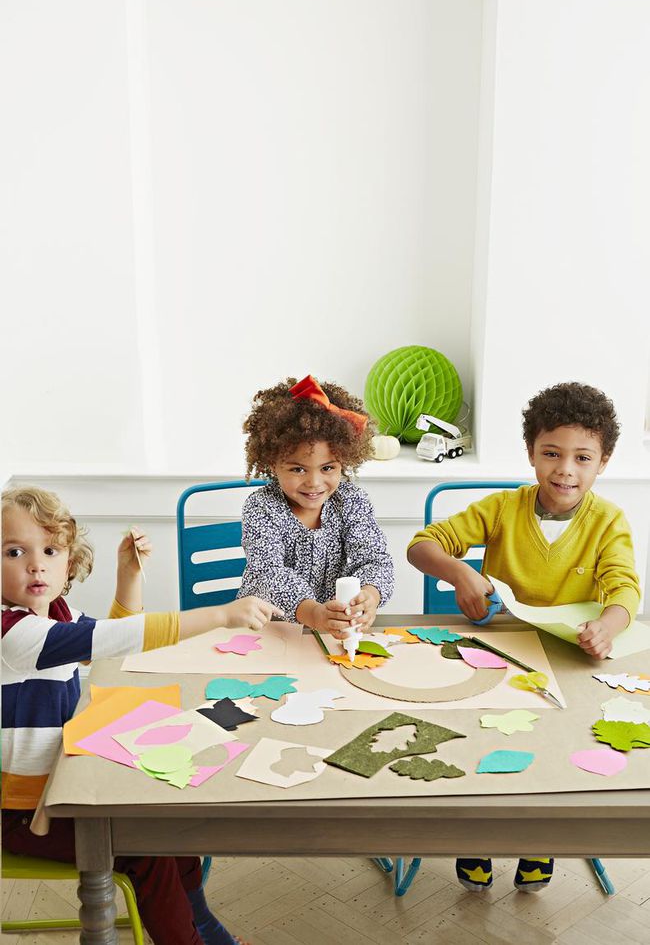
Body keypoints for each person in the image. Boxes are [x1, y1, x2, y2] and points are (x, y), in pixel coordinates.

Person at [2, 485, 280, 945]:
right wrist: (219, 615)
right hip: (25, 814)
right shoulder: (13, 634)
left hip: (68, 785)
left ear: (68, 563)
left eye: (50, 550)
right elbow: (114, 641)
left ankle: (205, 931)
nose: (36, 564)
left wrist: (129, 574)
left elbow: (108, 638)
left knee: (173, 834)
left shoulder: (57, 614)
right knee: (146, 853)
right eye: (15, 551)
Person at [407, 382, 640, 893]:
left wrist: (608, 626)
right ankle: (475, 836)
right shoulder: (503, 509)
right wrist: (461, 575)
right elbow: (422, 546)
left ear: (603, 461)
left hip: (566, 656)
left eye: (583, 457)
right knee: (477, 738)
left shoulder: (608, 521)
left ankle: (540, 840)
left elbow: (624, 588)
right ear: (531, 453)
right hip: (496, 650)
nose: (565, 470)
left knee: (556, 746)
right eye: (551, 453)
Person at [237, 374, 394, 638]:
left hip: (329, 630)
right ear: (272, 463)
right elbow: (269, 573)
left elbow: (374, 559)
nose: (314, 482)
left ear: (344, 460)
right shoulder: (261, 507)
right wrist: (313, 614)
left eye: (328, 468)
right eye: (298, 469)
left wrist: (370, 595)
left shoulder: (352, 501)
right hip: (265, 628)